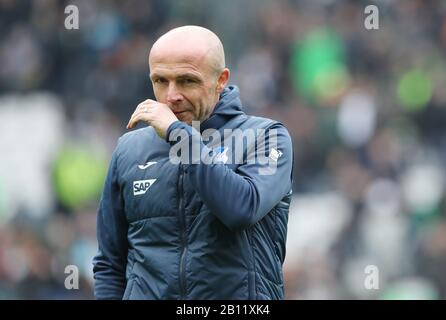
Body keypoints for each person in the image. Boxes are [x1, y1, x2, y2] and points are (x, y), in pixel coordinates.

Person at [92, 25, 294, 300]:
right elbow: (110, 263)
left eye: (186, 80)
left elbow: (241, 209)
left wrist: (179, 134)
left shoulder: (265, 137)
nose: (171, 95)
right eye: (160, 81)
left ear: (221, 80)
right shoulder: (129, 149)